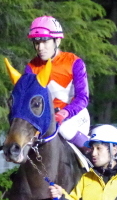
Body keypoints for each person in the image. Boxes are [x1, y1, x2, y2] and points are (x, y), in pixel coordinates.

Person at [25, 15, 91, 152]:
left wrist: (64, 113)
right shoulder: (31, 67)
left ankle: (93, 154)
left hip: (74, 115)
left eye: (45, 41)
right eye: (37, 43)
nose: (40, 47)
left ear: (57, 41)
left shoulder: (74, 62)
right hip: (47, 120)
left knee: (64, 129)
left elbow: (83, 98)